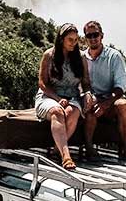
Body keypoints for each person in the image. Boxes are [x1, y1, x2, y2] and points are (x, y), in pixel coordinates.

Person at [81, 20, 126, 163]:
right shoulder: (82, 57)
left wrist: (106, 103)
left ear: (102, 35)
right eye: (89, 35)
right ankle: (89, 148)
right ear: (85, 38)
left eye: (95, 34)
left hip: (111, 98)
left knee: (123, 105)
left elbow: (120, 87)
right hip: (91, 96)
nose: (93, 38)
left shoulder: (114, 56)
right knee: (89, 104)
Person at [36, 23, 92, 171]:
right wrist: (56, 98)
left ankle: (57, 149)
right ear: (61, 40)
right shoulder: (49, 55)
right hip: (49, 96)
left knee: (71, 112)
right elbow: (42, 83)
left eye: (76, 40)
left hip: (72, 96)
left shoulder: (81, 57)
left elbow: (85, 82)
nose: (74, 43)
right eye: (70, 40)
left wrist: (87, 94)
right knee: (57, 112)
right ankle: (66, 156)